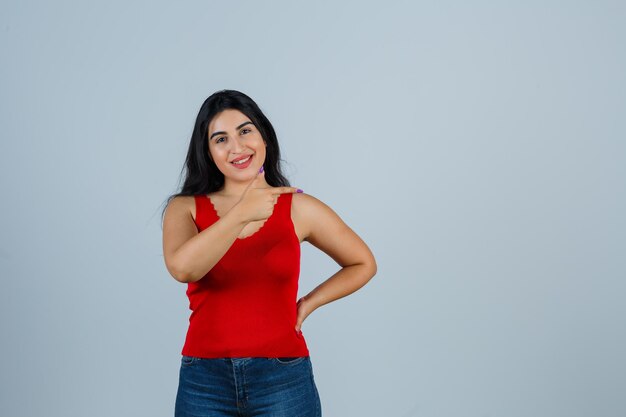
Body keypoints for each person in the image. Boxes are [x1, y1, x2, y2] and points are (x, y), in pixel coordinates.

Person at [161, 89, 377, 417]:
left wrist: (308, 303)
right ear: (208, 151)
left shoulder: (298, 207)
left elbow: (363, 263)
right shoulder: (184, 208)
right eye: (220, 139)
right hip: (204, 379)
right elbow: (183, 269)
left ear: (263, 136)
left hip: (283, 377)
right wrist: (242, 211)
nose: (236, 147)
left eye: (245, 130)